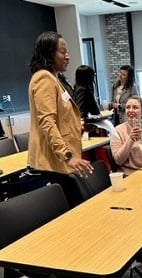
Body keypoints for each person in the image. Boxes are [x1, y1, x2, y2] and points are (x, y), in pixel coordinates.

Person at [28, 31, 93, 208]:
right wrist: (67, 155)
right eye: (62, 52)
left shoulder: (55, 79)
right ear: (49, 53)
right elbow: (47, 122)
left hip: (60, 160)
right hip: (55, 161)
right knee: (76, 207)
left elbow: (60, 115)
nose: (68, 56)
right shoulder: (44, 78)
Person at [110, 95, 142, 176]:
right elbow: (118, 160)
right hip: (131, 175)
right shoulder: (117, 131)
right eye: (128, 107)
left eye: (135, 107)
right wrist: (130, 139)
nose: (130, 110)